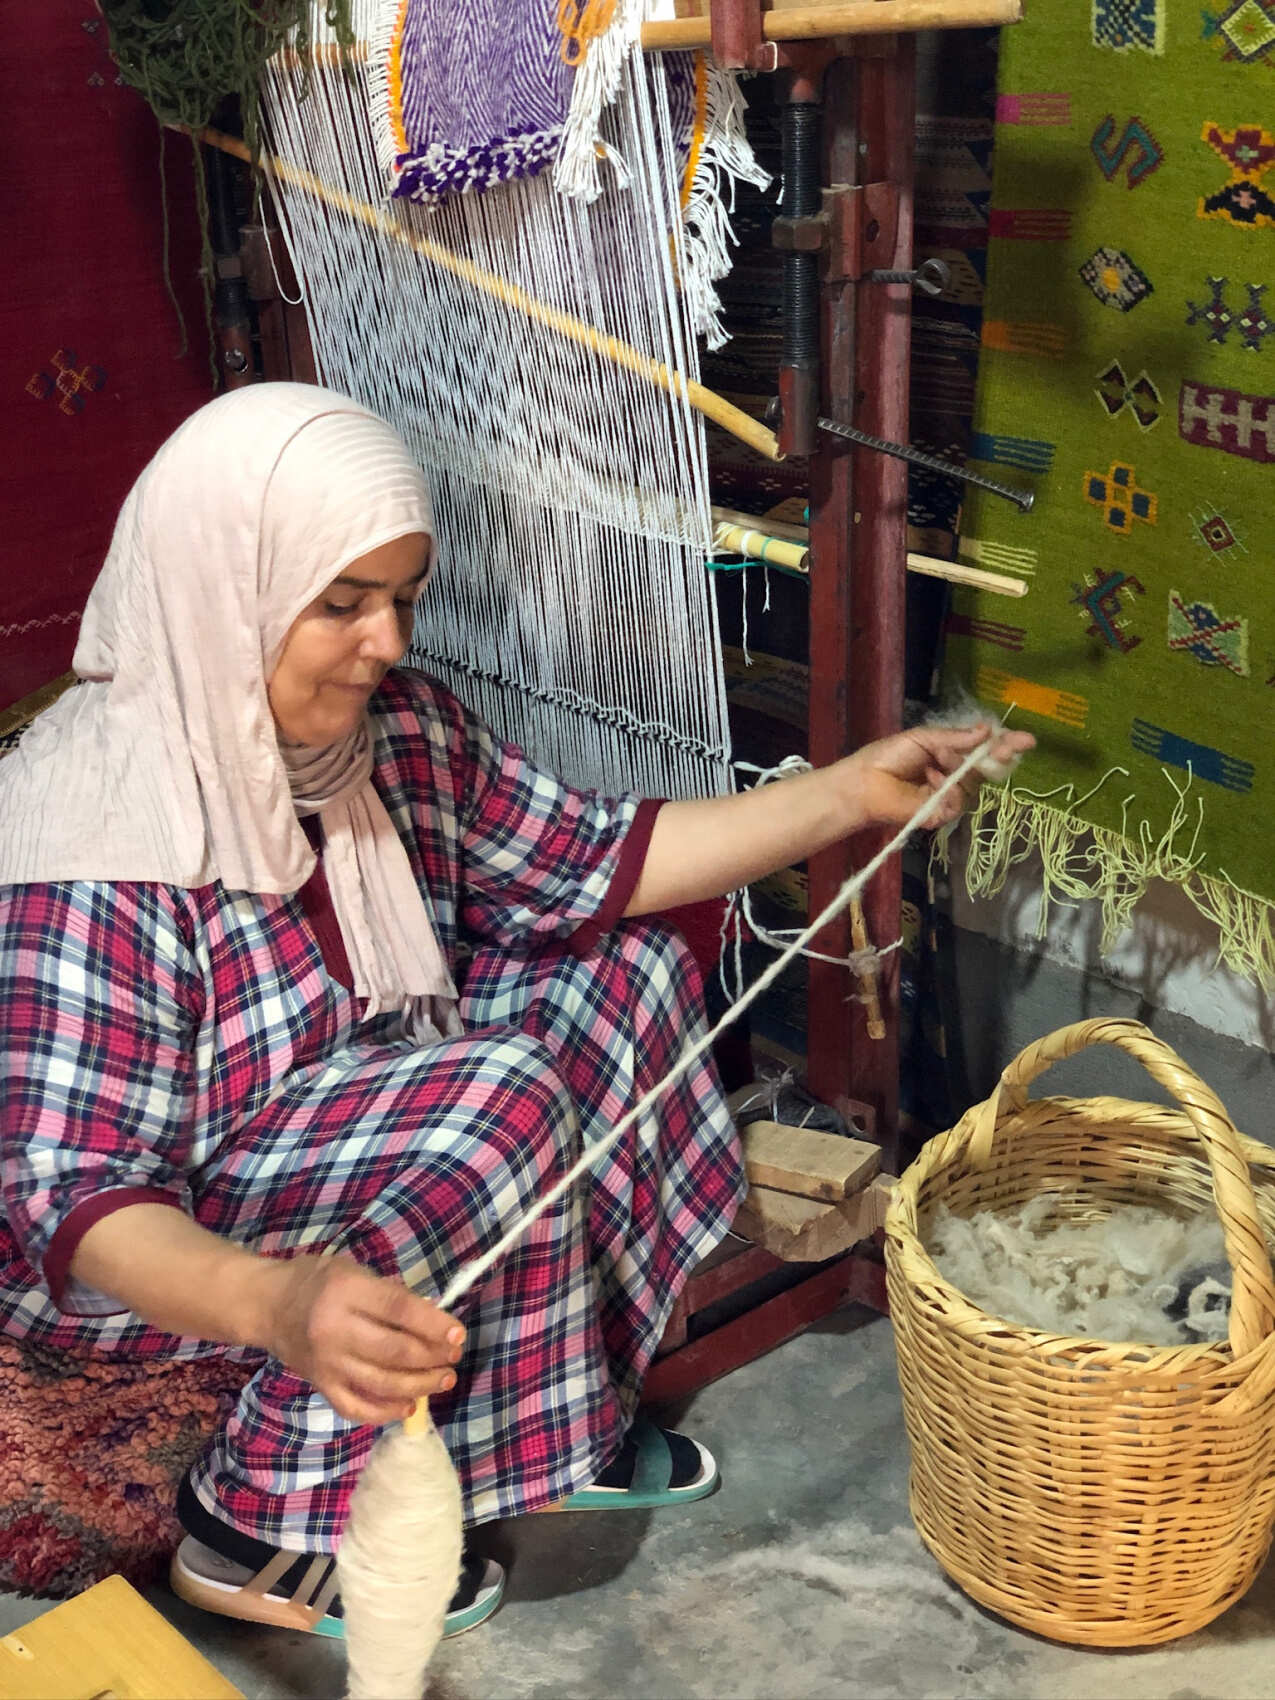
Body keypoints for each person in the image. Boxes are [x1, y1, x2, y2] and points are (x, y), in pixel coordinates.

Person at [0, 384, 1030, 1641]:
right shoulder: (94, 838)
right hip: (168, 1237)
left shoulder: (394, 735)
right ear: (226, 587)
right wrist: (278, 1304)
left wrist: (849, 795)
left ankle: (542, 1429)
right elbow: (75, 1193)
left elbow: (602, 858)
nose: (385, 640)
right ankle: (255, 1523)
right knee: (494, 1096)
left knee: (624, 975)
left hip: (352, 1095)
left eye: (402, 597)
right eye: (340, 603)